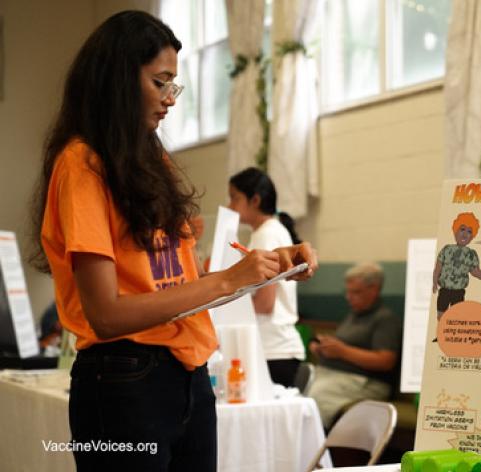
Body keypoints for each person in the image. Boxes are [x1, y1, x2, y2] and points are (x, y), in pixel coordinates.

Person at [30, 11, 317, 471]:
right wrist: (225, 282)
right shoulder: (82, 164)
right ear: (119, 79)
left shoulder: (150, 161)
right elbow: (106, 314)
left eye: (174, 86)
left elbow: (173, 285)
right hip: (124, 377)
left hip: (186, 372)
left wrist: (266, 266)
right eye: (160, 82)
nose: (170, 100)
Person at [228, 167, 305, 387]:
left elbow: (264, 302)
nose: (230, 206)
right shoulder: (265, 233)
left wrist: (225, 308)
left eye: (235, 198)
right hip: (275, 348)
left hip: (274, 349)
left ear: (255, 200)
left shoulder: (267, 234)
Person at [306, 262, 402, 427]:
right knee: (297, 391)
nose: (349, 297)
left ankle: (316, 446)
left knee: (315, 397)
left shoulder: (385, 319)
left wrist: (342, 351)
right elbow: (342, 346)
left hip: (366, 381)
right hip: (332, 375)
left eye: (356, 292)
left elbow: (386, 361)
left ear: (374, 290)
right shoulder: (354, 315)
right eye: (347, 292)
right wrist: (322, 348)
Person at [432, 212, 481, 341]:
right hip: (445, 289)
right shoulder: (446, 249)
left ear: (472, 237)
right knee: (441, 314)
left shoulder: (471, 254)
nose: (464, 233)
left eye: (469, 232)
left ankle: (453, 336)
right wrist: (435, 282)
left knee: (457, 315)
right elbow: (438, 268)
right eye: (462, 229)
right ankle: (442, 335)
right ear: (455, 230)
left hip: (458, 291)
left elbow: (476, 273)